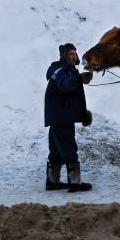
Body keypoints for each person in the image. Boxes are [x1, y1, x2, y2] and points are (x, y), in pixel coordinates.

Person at [44, 43, 94, 192]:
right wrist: (80, 78)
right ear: (64, 56)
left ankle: (52, 181)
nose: (73, 57)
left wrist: (83, 114)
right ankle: (74, 182)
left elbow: (74, 96)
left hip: (59, 116)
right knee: (69, 148)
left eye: (74, 54)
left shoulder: (68, 71)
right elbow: (65, 85)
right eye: (70, 54)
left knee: (56, 151)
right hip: (62, 117)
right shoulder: (61, 71)